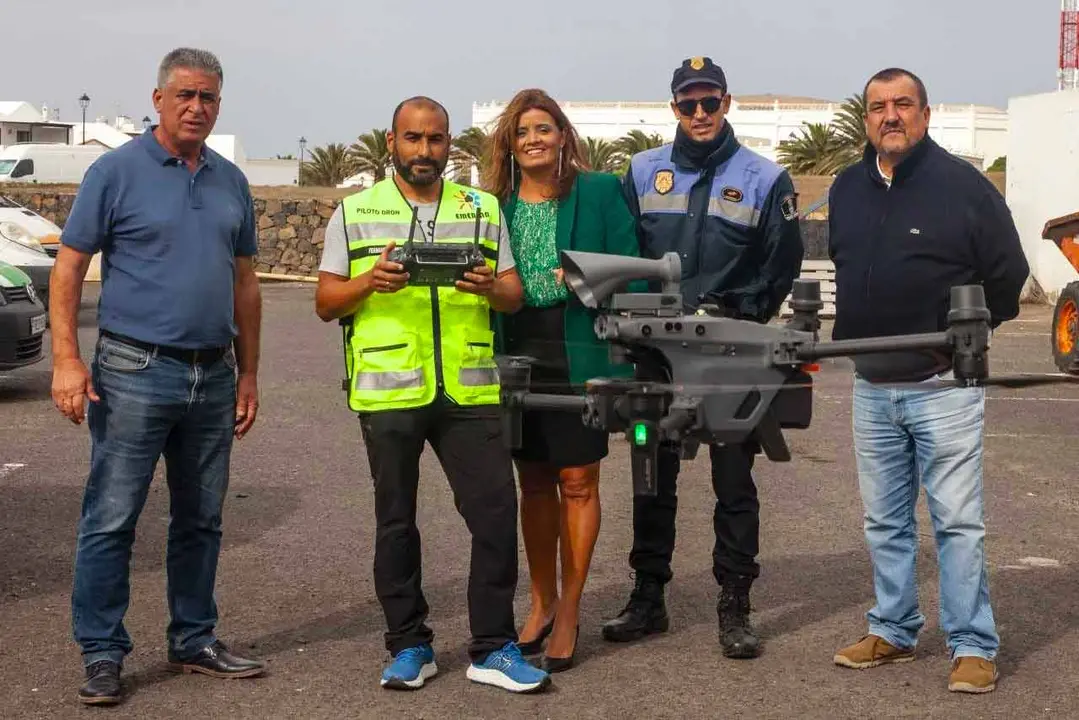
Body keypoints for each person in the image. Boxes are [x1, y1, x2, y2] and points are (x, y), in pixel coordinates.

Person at [49, 47, 266, 706]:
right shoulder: (115, 172)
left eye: (209, 98)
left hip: (213, 375)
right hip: (134, 369)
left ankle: (194, 638)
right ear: (159, 99)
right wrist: (65, 359)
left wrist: (250, 372)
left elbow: (246, 282)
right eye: (186, 96)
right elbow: (67, 267)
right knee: (112, 518)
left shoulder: (230, 180)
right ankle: (103, 652)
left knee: (201, 519)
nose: (197, 108)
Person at [314, 95, 551, 695]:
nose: (425, 151)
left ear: (450, 145)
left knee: (495, 513)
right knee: (396, 521)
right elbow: (325, 302)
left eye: (437, 139)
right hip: (390, 389)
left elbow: (513, 294)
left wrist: (489, 287)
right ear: (391, 142)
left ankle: (493, 647)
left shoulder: (482, 207)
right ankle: (409, 645)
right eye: (413, 139)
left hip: (469, 389)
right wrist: (370, 282)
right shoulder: (356, 212)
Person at [828, 67, 1028, 694]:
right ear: (867, 118)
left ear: (925, 113)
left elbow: (1009, 274)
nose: (891, 116)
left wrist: (965, 332)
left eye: (903, 104)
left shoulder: (962, 187)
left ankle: (972, 644)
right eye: (878, 106)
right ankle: (893, 629)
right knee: (884, 521)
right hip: (870, 385)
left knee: (957, 522)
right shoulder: (845, 187)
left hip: (942, 387)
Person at [602, 56, 804, 659]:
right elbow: (623, 252)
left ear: (726, 102)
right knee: (649, 472)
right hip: (655, 354)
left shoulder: (766, 178)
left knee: (734, 480)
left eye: (709, 102)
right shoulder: (640, 173)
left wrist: (734, 310)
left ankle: (735, 604)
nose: (699, 113)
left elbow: (780, 264)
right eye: (688, 104)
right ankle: (647, 596)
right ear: (673, 108)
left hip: (730, 354)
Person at [482, 88, 645, 673]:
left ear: (562, 137)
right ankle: (542, 600)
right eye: (523, 130)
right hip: (516, 349)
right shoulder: (491, 202)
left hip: (580, 348)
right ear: (509, 141)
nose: (533, 138)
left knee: (578, 480)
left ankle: (571, 607)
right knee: (533, 483)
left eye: (544, 128)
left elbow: (634, 269)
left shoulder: (599, 191)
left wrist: (587, 278)